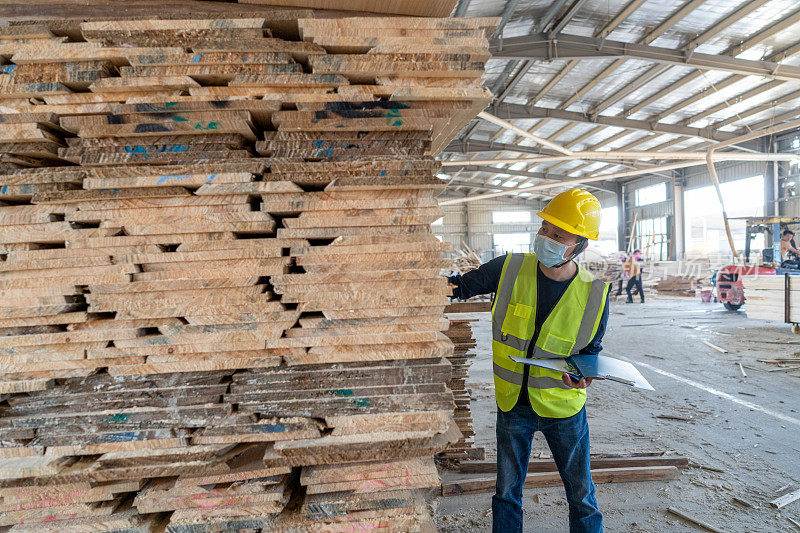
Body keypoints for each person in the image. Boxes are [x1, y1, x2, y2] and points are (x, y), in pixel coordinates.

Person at [448, 189, 609, 533]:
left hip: (563, 408)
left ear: (580, 244)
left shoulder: (595, 293)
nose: (546, 238)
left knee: (581, 494)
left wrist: (584, 376)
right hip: (514, 404)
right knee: (507, 493)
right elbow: (458, 288)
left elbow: (590, 352)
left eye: (558, 235)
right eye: (545, 230)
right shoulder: (508, 268)